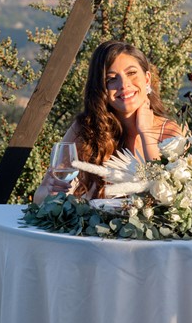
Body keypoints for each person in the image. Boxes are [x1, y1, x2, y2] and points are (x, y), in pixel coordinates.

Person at [34, 40, 182, 203]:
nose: (124, 85)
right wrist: (51, 192)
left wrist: (145, 133)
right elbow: (40, 197)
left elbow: (169, 197)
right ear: (101, 88)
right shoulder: (86, 129)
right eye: (112, 79)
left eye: (131, 73)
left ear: (147, 79)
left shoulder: (169, 132)